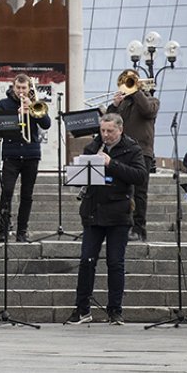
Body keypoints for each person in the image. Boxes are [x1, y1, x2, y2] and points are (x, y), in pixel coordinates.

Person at [65, 113, 146, 326]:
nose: (106, 135)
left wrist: (111, 164)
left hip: (119, 212)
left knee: (115, 263)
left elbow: (140, 176)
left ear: (120, 130)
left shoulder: (132, 149)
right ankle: (82, 309)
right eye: (103, 131)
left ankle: (115, 311)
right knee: (86, 260)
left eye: (110, 131)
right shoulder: (93, 148)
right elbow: (81, 177)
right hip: (93, 210)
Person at [0, 73, 52, 243]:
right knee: (7, 192)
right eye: (18, 88)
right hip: (11, 155)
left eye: (24, 88)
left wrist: (33, 108)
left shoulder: (35, 104)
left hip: (31, 154)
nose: (21, 91)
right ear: (13, 87)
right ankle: (4, 230)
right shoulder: (3, 104)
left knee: (27, 194)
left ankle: (22, 231)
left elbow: (46, 124)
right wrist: (17, 116)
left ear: (29, 88)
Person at [106, 71, 159, 242]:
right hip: (123, 151)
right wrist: (114, 106)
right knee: (122, 189)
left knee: (139, 192)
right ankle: (123, 226)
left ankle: (139, 229)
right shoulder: (124, 103)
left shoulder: (151, 100)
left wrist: (136, 91)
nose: (129, 86)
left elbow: (147, 111)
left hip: (142, 151)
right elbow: (110, 122)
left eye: (133, 82)